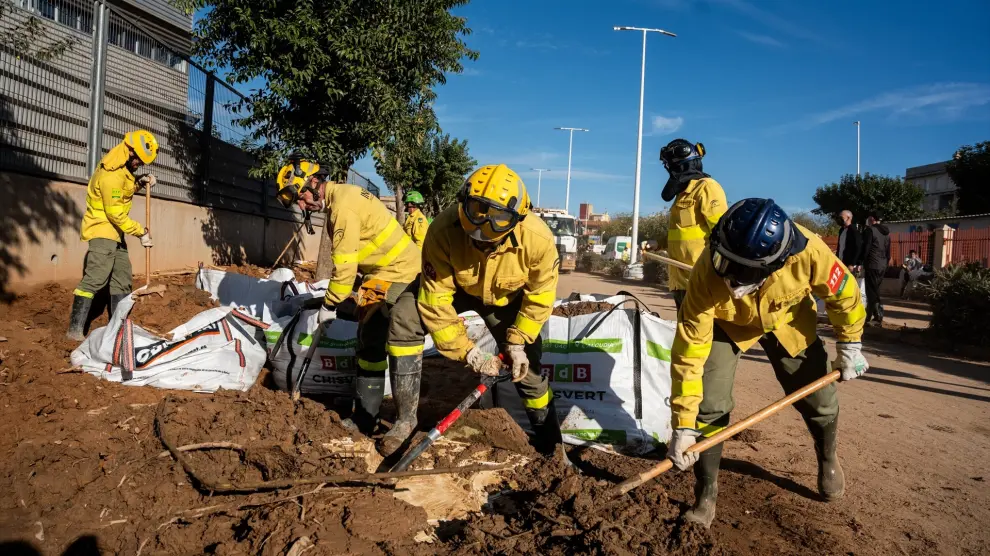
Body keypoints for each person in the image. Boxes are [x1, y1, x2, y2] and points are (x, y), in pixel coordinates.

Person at [667, 198, 869, 528]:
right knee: (709, 403)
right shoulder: (707, 273)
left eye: (742, 271)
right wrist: (683, 426)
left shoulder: (810, 251)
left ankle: (827, 457)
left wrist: (850, 344)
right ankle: (706, 493)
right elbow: (689, 353)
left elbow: (845, 295)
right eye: (724, 262)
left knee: (820, 401)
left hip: (787, 320)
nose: (729, 277)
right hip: (728, 324)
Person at [417, 164, 568, 463]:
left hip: (506, 301)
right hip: (458, 290)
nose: (482, 232)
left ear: (517, 219)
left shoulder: (537, 239)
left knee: (530, 374)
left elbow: (539, 296)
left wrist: (518, 342)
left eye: (497, 220)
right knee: (403, 315)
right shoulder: (442, 230)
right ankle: (405, 420)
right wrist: (468, 353)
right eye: (476, 210)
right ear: (463, 203)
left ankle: (552, 446)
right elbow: (435, 298)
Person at [314, 177, 425, 456]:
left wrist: (329, 305)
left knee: (399, 334)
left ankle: (405, 420)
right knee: (369, 339)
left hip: (402, 274)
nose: (302, 205)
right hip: (383, 274)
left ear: (313, 183)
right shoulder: (343, 197)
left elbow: (344, 268)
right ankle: (367, 417)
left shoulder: (343, 208)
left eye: (299, 197)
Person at [67, 130, 158, 341]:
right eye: (139, 162)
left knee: (122, 280)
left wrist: (139, 181)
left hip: (116, 235)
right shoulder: (110, 174)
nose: (139, 165)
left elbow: (123, 191)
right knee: (95, 279)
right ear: (130, 152)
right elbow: (115, 213)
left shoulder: (121, 169)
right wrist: (140, 232)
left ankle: (118, 331)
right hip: (102, 231)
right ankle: (74, 331)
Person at [660, 139, 728, 308]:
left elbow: (723, 235)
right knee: (685, 333)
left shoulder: (707, 188)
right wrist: (658, 244)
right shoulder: (682, 195)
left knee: (700, 333)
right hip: (680, 282)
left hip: (701, 281)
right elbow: (682, 233)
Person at [276, 154, 331, 235]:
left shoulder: (343, 208)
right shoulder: (334, 209)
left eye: (301, 197)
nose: (302, 207)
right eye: (297, 202)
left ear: (315, 181)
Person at [858, 213, 890, 325]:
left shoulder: (870, 230)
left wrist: (860, 262)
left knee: (871, 291)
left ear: (871, 219)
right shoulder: (886, 233)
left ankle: (876, 316)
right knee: (875, 290)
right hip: (882, 265)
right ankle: (873, 316)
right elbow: (888, 252)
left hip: (872, 264)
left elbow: (866, 248)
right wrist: (885, 263)